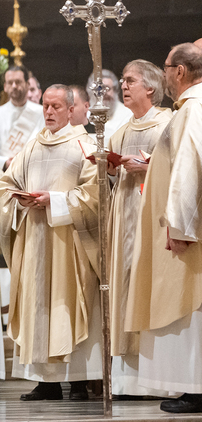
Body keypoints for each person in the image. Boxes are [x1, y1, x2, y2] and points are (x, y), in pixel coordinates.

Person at [0, 85, 100, 401]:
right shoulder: (32, 145)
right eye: (45, 106)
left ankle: (79, 381)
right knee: (38, 306)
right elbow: (5, 185)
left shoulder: (86, 145)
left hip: (69, 241)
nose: (49, 112)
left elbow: (95, 195)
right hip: (34, 239)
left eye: (56, 106)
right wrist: (19, 200)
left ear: (71, 110)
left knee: (68, 304)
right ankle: (46, 382)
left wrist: (54, 200)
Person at [126, 43, 202, 413]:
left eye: (167, 67)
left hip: (189, 234)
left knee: (188, 306)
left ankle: (195, 388)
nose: (166, 75)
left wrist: (180, 226)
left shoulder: (193, 109)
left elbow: (189, 168)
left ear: (180, 72)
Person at [103, 61, 170, 396]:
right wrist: (108, 168)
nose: (123, 86)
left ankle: (159, 377)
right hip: (125, 215)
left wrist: (147, 166)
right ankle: (127, 380)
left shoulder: (168, 123)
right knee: (125, 285)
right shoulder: (122, 130)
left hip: (153, 216)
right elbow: (112, 175)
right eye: (123, 80)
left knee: (148, 284)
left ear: (151, 88)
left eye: (130, 81)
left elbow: (179, 165)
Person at [0, 66, 44, 171]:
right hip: (2, 174)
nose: (14, 86)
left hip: (34, 172)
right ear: (5, 86)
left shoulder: (42, 114)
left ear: (27, 85)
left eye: (18, 82)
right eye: (10, 83)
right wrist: (4, 162)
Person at [88, 69, 133, 142]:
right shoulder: (85, 115)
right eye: (99, 89)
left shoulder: (128, 114)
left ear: (115, 91)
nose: (104, 93)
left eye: (107, 88)